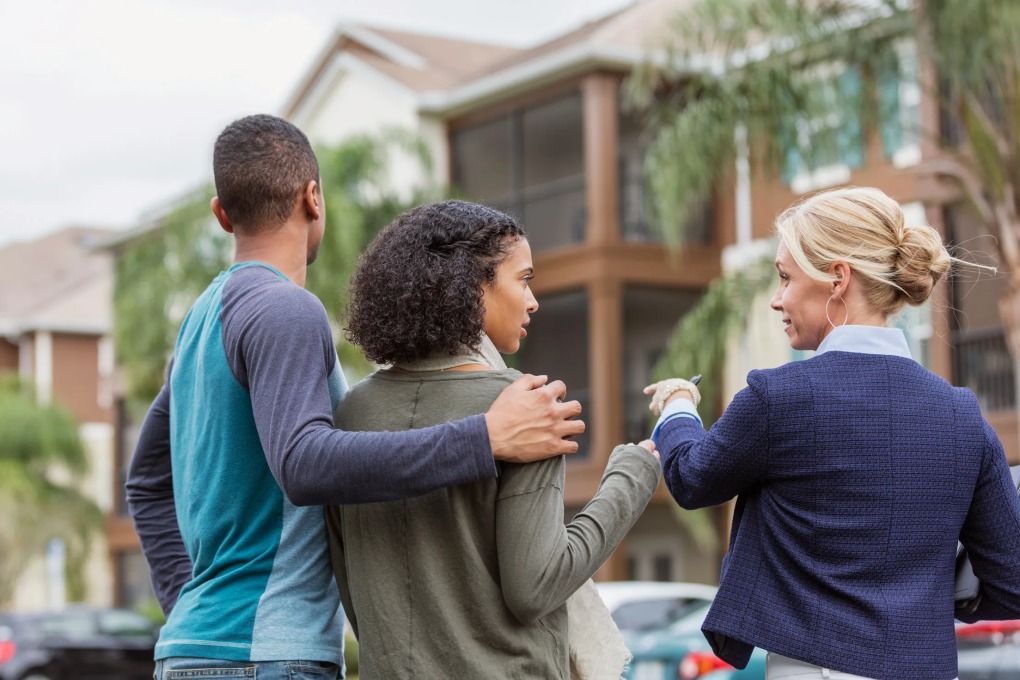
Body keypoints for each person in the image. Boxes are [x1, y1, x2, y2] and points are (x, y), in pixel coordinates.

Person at [125, 115, 585, 680]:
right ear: (313, 197)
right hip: (266, 656)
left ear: (222, 214)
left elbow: (145, 480)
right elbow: (303, 463)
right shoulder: (286, 308)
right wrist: (484, 437)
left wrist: (192, 609)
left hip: (194, 652)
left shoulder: (200, 320)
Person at [645, 186, 1020, 680]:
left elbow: (692, 479)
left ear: (838, 278)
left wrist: (676, 405)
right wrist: (920, 596)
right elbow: (1012, 582)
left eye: (785, 278)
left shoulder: (778, 398)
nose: (777, 300)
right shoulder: (962, 415)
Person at [324, 200, 662, 679]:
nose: (533, 300)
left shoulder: (352, 413)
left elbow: (353, 590)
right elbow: (536, 587)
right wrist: (630, 479)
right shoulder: (524, 407)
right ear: (471, 286)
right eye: (523, 279)